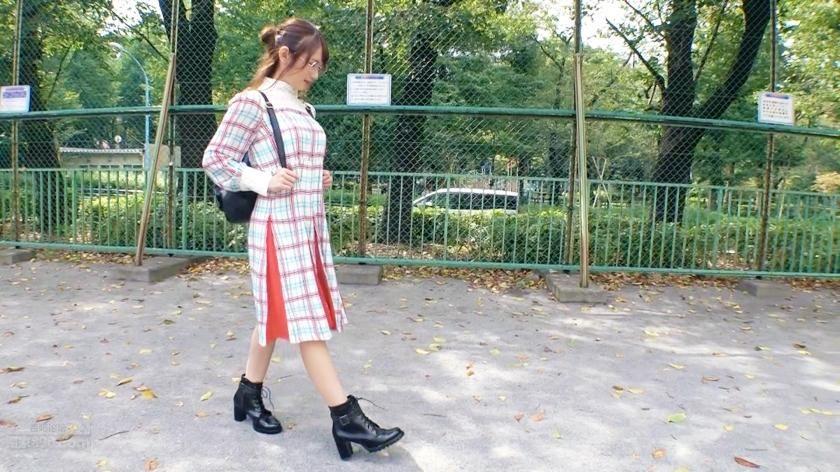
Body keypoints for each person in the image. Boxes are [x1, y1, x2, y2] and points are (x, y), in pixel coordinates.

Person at [202, 18, 403, 460]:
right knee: (306, 322)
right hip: (276, 229)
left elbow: (296, 164)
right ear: (284, 55)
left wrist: (317, 176)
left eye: (320, 66)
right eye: (310, 63)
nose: (315, 72)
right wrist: (262, 179)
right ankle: (346, 417)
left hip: (308, 227)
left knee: (274, 314)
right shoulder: (253, 103)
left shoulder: (304, 110)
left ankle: (248, 393)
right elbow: (215, 159)